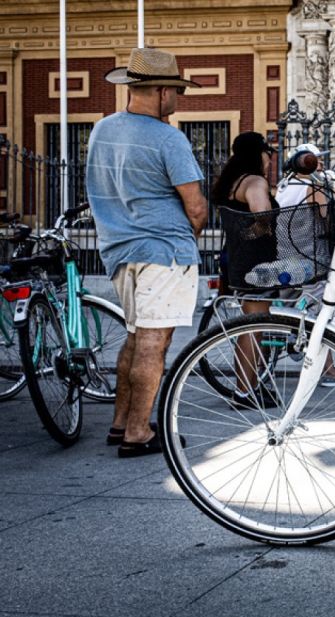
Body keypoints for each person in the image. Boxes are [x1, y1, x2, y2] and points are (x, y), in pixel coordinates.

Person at [86, 48, 206, 457]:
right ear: (159, 91)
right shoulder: (168, 137)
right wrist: (187, 236)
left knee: (136, 337)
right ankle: (139, 431)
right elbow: (195, 206)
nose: (177, 99)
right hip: (164, 250)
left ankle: (121, 423)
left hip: (118, 250)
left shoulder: (101, 130)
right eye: (175, 90)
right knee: (155, 342)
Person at [275, 142, 335, 388]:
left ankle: (295, 337)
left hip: (286, 254)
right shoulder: (312, 184)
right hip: (310, 256)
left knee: (298, 305)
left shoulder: (283, 185)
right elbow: (325, 214)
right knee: (324, 310)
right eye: (316, 159)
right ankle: (328, 371)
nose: (321, 163)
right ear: (304, 162)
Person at [209, 131, 282, 409]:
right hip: (257, 263)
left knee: (250, 326)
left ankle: (248, 386)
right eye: (266, 153)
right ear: (258, 154)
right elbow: (263, 219)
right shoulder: (254, 182)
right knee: (254, 327)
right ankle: (244, 391)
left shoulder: (231, 183)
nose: (268, 159)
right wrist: (255, 234)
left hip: (238, 260)